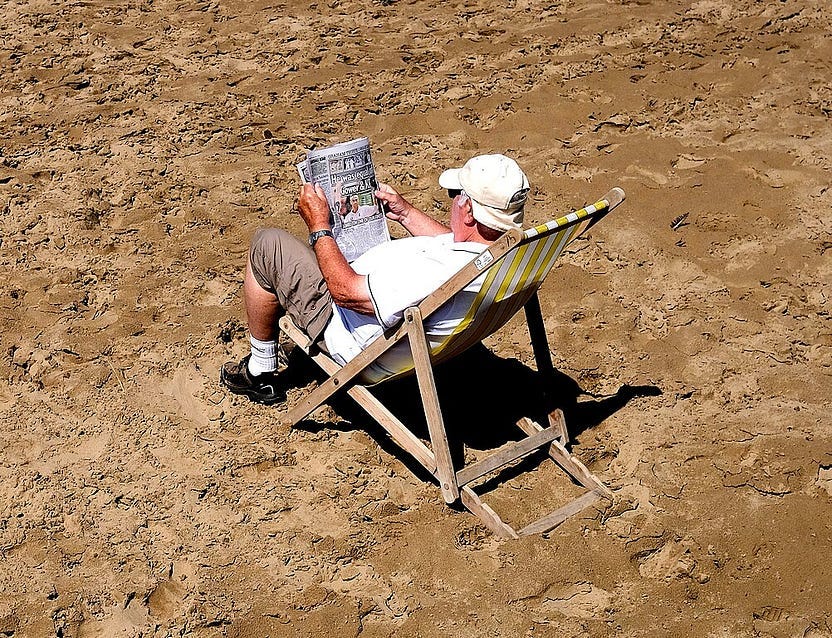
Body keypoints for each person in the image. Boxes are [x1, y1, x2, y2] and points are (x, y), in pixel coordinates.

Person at [220, 153, 530, 404]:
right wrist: (406, 213)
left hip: (347, 332)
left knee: (268, 244)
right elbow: (458, 244)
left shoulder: (433, 273)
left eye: (456, 195)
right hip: (416, 326)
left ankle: (259, 371)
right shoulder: (507, 255)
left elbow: (346, 293)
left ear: (468, 212)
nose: (452, 199)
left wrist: (319, 226)